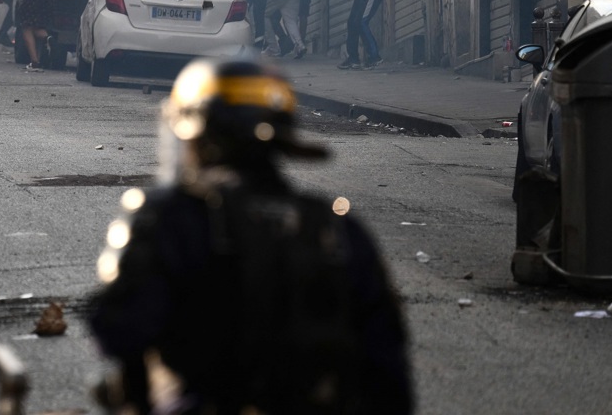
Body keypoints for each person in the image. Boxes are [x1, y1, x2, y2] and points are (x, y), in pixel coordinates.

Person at [88, 57, 412, 415]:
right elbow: (389, 377)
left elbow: (119, 331)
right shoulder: (339, 229)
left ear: (195, 132)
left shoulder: (173, 217)